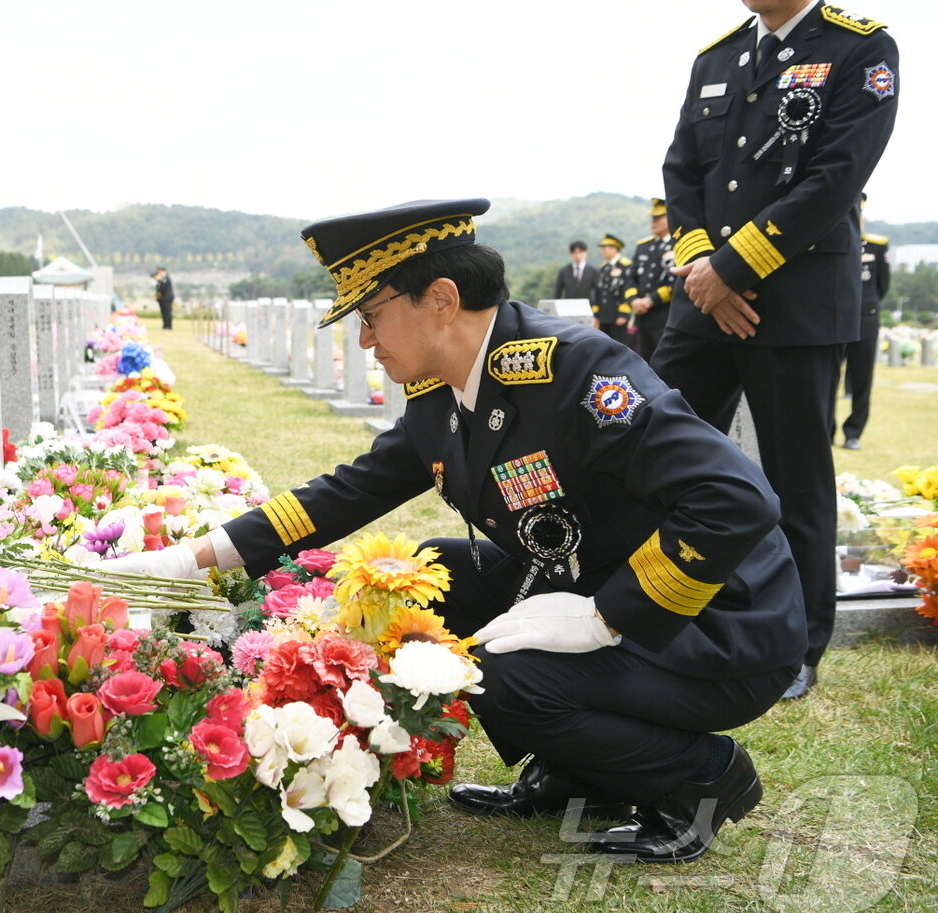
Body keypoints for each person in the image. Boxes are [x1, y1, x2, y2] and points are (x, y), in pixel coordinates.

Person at [104, 198, 805, 864]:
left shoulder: (574, 370)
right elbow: (346, 492)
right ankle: (579, 767)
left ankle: (700, 779)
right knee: (424, 578)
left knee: (501, 677)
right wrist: (191, 560)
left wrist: (602, 618)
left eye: (373, 314)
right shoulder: (441, 395)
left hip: (719, 621)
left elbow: (735, 500)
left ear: (440, 300)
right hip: (590, 575)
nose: (366, 337)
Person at [652, 0, 899, 700]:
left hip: (792, 306)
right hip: (705, 304)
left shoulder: (862, 49)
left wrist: (733, 268)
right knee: (650, 450)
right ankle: (667, 605)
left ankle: (797, 645)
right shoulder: (718, 56)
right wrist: (706, 268)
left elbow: (837, 175)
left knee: (797, 482)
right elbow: (683, 173)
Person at [834, 193, 889, 450]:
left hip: (865, 322)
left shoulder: (876, 247)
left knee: (862, 381)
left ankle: (853, 433)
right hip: (833, 320)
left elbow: (882, 286)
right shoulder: (834, 243)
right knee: (828, 380)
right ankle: (827, 430)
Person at [625, 199, 675, 361]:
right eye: (652, 218)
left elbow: (677, 282)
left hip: (665, 314)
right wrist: (633, 300)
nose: (653, 222)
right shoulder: (643, 246)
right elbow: (630, 278)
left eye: (658, 217)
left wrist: (650, 300)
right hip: (641, 315)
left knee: (664, 360)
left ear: (669, 218)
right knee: (644, 359)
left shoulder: (678, 245)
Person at [589, 235, 634, 345]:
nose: (602, 251)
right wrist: (596, 316)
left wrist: (624, 314)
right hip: (604, 316)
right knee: (605, 345)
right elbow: (599, 293)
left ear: (614, 248)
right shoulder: (604, 267)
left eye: (605, 248)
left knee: (619, 346)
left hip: (618, 315)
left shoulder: (626, 266)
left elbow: (628, 289)